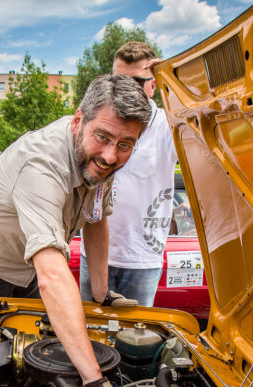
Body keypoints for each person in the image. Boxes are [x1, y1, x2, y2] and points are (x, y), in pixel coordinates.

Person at [0, 74, 150, 387]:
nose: (110, 155)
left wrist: (102, 293)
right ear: (79, 121)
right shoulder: (42, 165)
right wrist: (93, 379)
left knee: (41, 339)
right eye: (103, 137)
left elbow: (96, 218)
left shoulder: (104, 157)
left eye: (125, 144)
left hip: (34, 257)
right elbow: (51, 276)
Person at [79, 41, 179, 308]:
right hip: (96, 254)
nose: (126, 90)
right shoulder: (103, 120)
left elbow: (203, 113)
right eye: (119, 80)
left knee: (137, 338)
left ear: (153, 85)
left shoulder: (168, 126)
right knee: (92, 331)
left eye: (136, 82)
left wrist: (170, 77)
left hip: (142, 259)